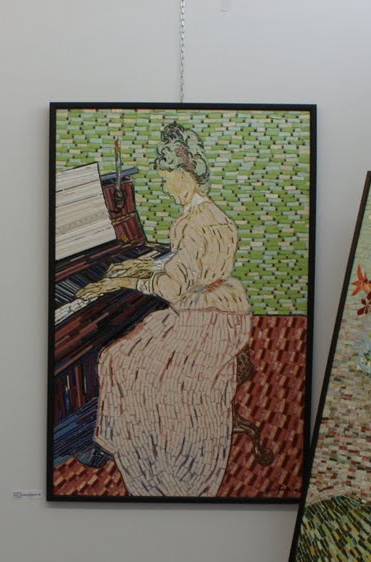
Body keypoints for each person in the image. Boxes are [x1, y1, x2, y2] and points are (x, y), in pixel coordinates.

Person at [75, 123, 252, 497]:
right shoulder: (211, 214)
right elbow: (191, 266)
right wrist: (139, 266)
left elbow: (173, 286)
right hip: (227, 309)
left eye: (167, 177)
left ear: (183, 174)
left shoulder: (190, 223)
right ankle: (109, 434)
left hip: (203, 319)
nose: (165, 185)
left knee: (117, 359)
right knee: (130, 347)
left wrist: (119, 281)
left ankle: (113, 440)